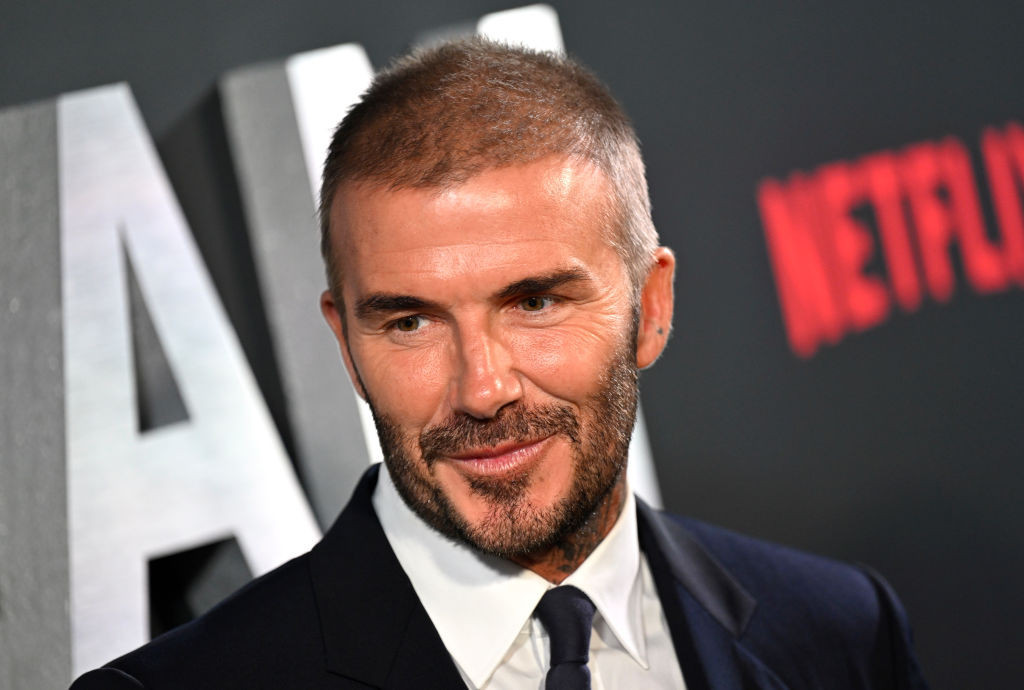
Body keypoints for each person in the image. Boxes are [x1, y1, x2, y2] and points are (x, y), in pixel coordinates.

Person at [72, 38, 928, 689]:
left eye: (535, 303)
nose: (482, 390)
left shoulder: (844, 633)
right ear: (346, 346)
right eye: (410, 322)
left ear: (651, 306)